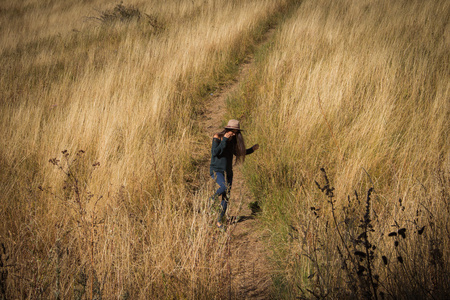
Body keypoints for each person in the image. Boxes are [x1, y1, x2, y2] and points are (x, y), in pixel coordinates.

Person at [209, 119, 259, 230]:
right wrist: (225, 139)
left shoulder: (233, 141)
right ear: (227, 129)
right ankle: (210, 200)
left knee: (226, 197)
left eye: (236, 131)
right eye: (232, 130)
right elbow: (215, 153)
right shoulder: (217, 136)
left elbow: (238, 153)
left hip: (228, 172)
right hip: (216, 170)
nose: (234, 133)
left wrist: (252, 149)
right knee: (224, 187)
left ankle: (219, 221)